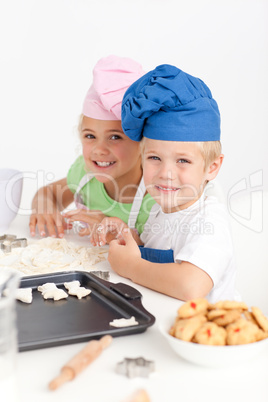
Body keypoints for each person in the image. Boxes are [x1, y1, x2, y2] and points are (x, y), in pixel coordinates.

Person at [94, 64, 238, 303]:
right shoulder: (158, 210)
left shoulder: (209, 220)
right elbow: (156, 254)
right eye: (154, 158)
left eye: (183, 160)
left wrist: (130, 265)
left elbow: (190, 286)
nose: (166, 173)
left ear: (212, 167)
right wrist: (126, 237)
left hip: (206, 335)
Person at [29, 55, 155, 241]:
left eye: (115, 137)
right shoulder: (85, 175)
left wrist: (110, 229)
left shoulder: (157, 193)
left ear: (143, 142)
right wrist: (45, 208)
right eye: (90, 136)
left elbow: (161, 250)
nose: (99, 150)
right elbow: (48, 193)